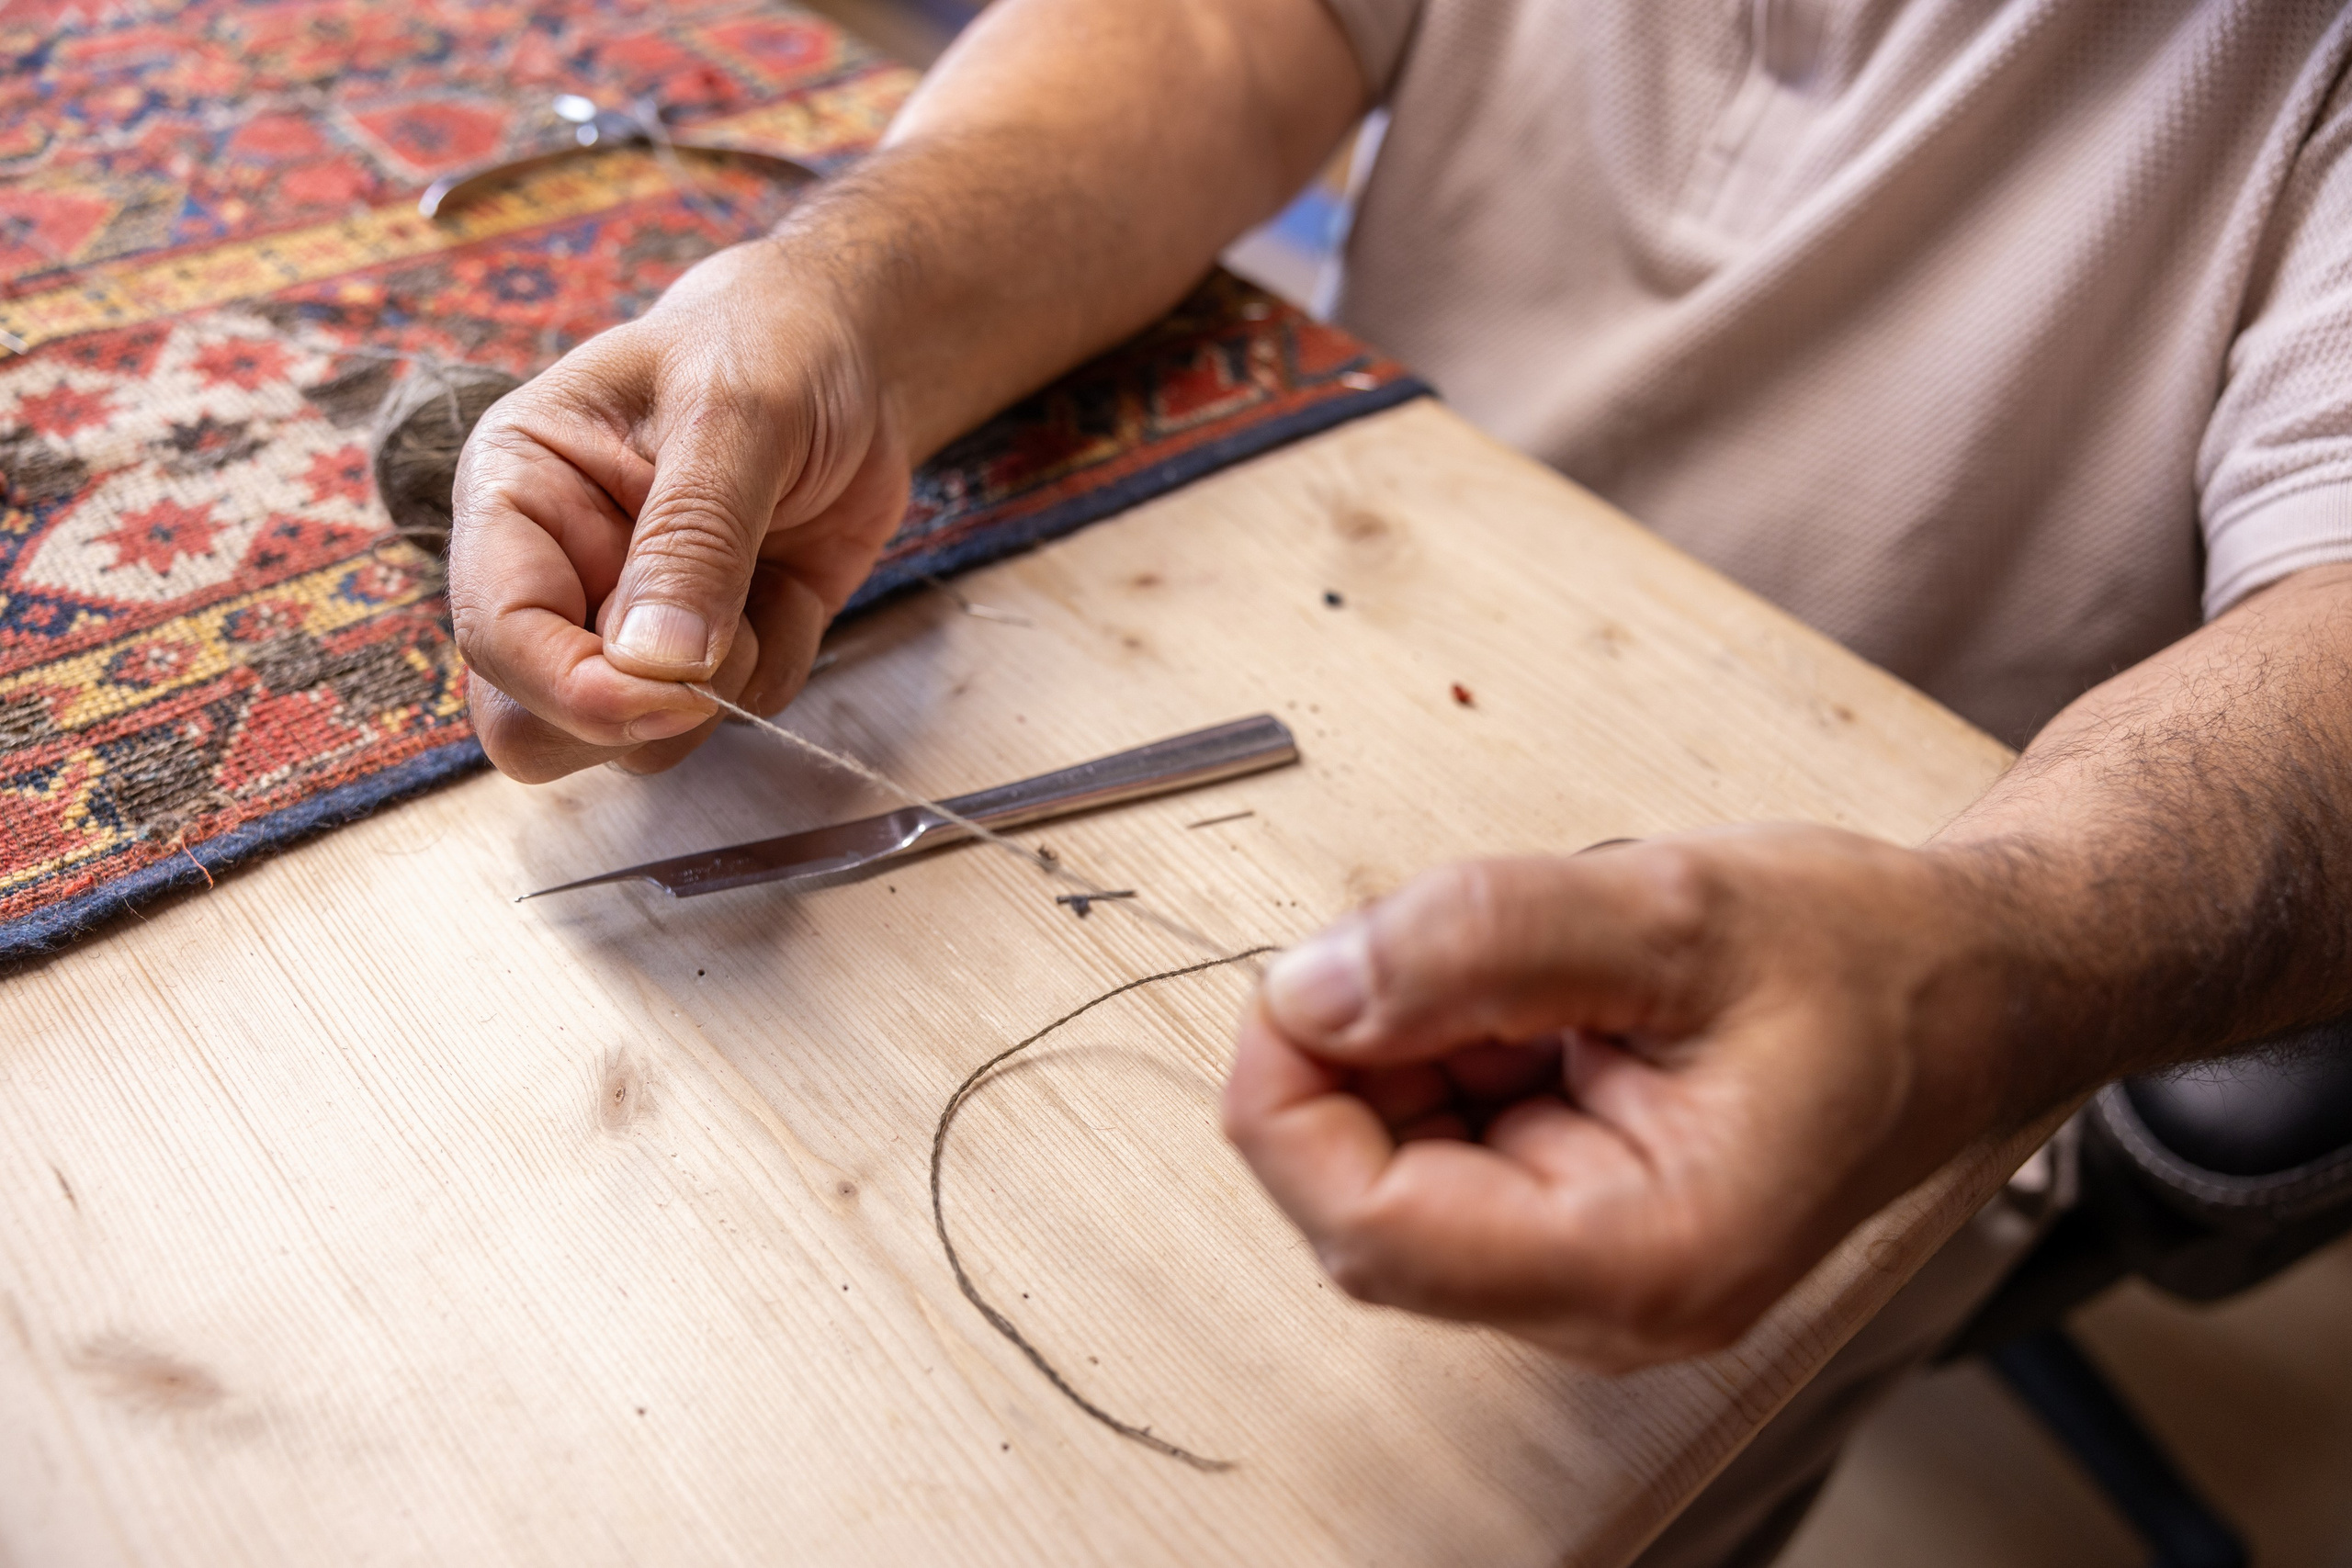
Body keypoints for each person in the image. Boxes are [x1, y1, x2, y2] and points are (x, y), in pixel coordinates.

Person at [447, 1, 2352, 1560]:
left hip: (1882, 947)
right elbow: (1217, 32)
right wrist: (840, 303)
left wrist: (1990, 963)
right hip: (1345, 590)